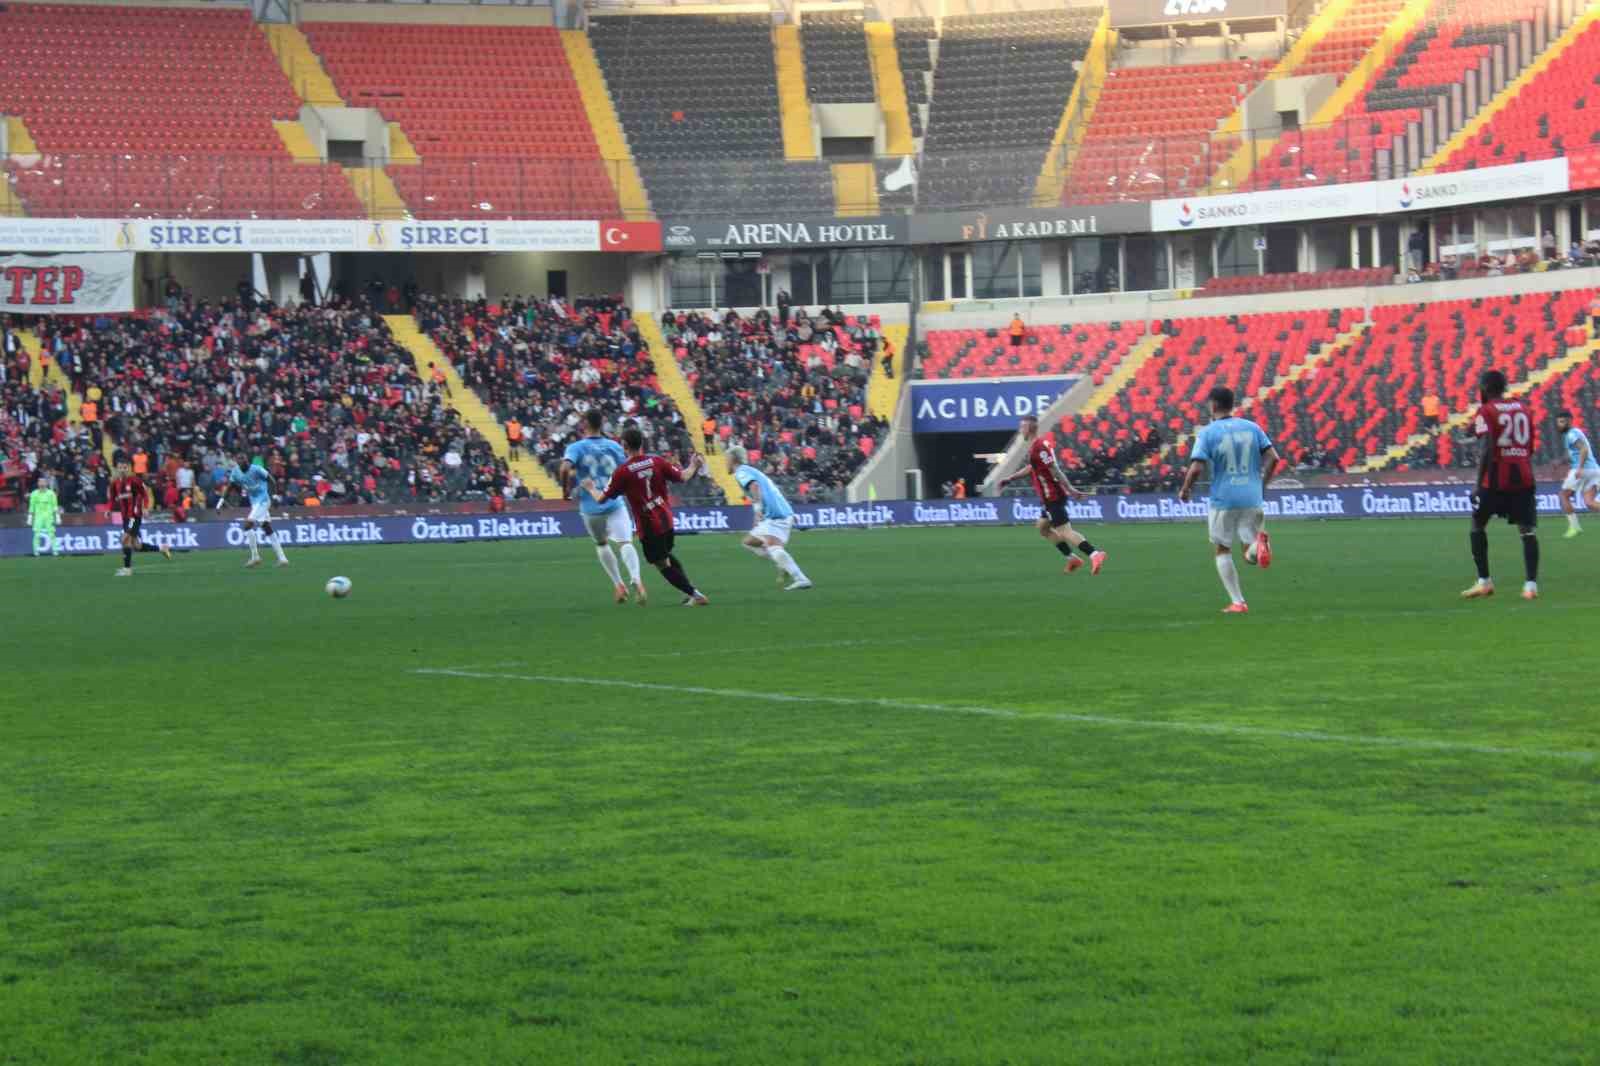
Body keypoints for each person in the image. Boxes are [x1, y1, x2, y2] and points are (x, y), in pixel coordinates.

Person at [1178, 387, 1282, 614]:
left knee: (1222, 548)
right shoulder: (1252, 427)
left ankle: (1238, 602)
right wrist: (1262, 485)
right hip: (1252, 497)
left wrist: (1186, 490)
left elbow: (1196, 468)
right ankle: (1259, 545)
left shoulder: (1207, 432)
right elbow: (1274, 458)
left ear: (1213, 405)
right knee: (1248, 554)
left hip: (1224, 499)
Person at [583, 427, 708, 607]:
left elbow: (601, 499)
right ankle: (689, 592)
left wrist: (590, 488)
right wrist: (694, 464)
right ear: (642, 442)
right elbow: (683, 476)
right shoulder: (657, 461)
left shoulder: (622, 472)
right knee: (666, 556)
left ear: (624, 445)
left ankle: (696, 595)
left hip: (649, 525)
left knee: (661, 564)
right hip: (666, 519)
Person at [997, 415, 1107, 576]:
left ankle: (1095, 554)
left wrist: (1071, 489)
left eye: (1022, 427)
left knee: (1065, 531)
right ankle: (1072, 559)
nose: (1020, 430)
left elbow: (1055, 469)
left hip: (1052, 496)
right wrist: (1011, 478)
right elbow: (1032, 467)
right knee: (1042, 527)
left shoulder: (1038, 447)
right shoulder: (1038, 446)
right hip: (1048, 497)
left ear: (1030, 428)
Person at [1462, 370, 1539, 600]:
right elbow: (1530, 446)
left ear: (1484, 387)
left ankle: (1484, 582)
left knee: (1477, 523)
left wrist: (1477, 484)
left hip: (1495, 479)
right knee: (1527, 531)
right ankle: (1531, 587)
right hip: (1523, 476)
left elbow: (1486, 448)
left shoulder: (1486, 411)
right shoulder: (1523, 408)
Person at [560, 409, 645, 605]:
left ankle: (619, 585)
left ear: (585, 424)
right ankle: (637, 580)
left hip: (590, 507)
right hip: (614, 502)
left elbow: (564, 468)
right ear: (601, 424)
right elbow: (628, 469)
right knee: (626, 543)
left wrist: (565, 491)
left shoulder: (577, 447)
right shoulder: (614, 446)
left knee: (602, 544)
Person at [726, 445, 812, 591]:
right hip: (778, 513)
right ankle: (782, 564)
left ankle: (801, 578)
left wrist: (758, 509)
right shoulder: (751, 470)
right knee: (748, 542)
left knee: (773, 547)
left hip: (775, 515)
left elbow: (754, 486)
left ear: (733, 459)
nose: (725, 463)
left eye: (726, 459)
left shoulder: (741, 472)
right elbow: (772, 491)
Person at [109, 460, 172, 576]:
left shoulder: (134, 481)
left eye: (125, 467)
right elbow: (112, 498)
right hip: (125, 517)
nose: (122, 470)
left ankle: (127, 569)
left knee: (124, 539)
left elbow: (145, 494)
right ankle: (162, 548)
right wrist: (109, 509)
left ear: (129, 468)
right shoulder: (115, 483)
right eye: (120, 468)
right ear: (117, 469)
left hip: (134, 515)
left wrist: (146, 507)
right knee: (137, 546)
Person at [228, 455, 289, 569]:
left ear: (247, 461)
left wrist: (275, 496)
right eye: (239, 460)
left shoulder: (256, 469)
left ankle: (255, 557)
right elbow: (230, 486)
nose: (242, 462)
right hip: (255, 503)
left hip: (264, 500)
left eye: (244, 460)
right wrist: (221, 500)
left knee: (247, 525)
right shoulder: (236, 472)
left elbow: (271, 479)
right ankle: (282, 558)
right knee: (267, 528)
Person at [1556, 409, 1598, 539]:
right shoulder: (1576, 433)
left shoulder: (1571, 434)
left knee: (1563, 495)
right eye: (1559, 422)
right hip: (1594, 470)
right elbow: (1572, 454)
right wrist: (1560, 461)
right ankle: (1575, 527)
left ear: (1569, 421)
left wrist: (1579, 468)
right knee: (1590, 503)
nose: (1560, 424)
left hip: (1582, 470)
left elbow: (1583, 449)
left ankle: (1574, 527)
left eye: (1563, 422)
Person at [28, 476, 62, 557]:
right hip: (38, 517)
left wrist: (57, 517)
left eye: (43, 482)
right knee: (36, 534)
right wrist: (29, 518)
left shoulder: (51, 493)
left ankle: (55, 551)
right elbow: (31, 506)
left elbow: (55, 506)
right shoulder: (34, 493)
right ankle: (36, 552)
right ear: (38, 483)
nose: (42, 483)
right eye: (40, 482)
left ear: (46, 483)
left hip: (49, 517)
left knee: (52, 534)